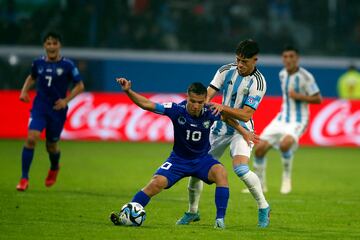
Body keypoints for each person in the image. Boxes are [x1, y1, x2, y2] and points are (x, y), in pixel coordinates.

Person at [110, 78, 250, 229]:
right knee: (156, 183)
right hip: (178, 161)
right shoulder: (176, 110)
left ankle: (220, 220)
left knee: (221, 172)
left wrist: (244, 132)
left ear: (205, 100)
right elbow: (147, 104)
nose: (196, 106)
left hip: (202, 160)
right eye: (193, 101)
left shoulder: (210, 111)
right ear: (187, 97)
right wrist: (128, 91)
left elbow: (227, 119)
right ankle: (126, 215)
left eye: (200, 102)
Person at [177, 39, 271, 228]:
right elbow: (207, 97)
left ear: (255, 60)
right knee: (196, 168)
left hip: (243, 130)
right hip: (218, 128)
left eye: (245, 61)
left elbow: (246, 114)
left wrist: (222, 108)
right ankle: (192, 212)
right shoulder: (225, 71)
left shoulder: (258, 83)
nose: (240, 65)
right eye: (238, 60)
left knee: (241, 170)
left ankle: (263, 207)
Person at [16, 32, 85, 191]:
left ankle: (54, 167)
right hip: (40, 107)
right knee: (31, 138)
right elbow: (32, 77)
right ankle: (24, 178)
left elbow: (80, 85)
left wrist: (65, 101)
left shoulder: (68, 65)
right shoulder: (38, 63)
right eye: (48, 43)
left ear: (59, 45)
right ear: (44, 46)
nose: (51, 46)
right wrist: (24, 91)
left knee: (51, 146)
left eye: (54, 43)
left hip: (57, 110)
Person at [253, 45, 322, 194]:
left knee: (285, 144)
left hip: (299, 119)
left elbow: (318, 98)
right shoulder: (282, 74)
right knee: (259, 149)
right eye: (285, 56)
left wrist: (300, 97)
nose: (288, 59)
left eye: (291, 56)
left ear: (297, 58)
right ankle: (260, 185)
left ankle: (286, 179)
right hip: (282, 117)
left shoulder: (306, 77)